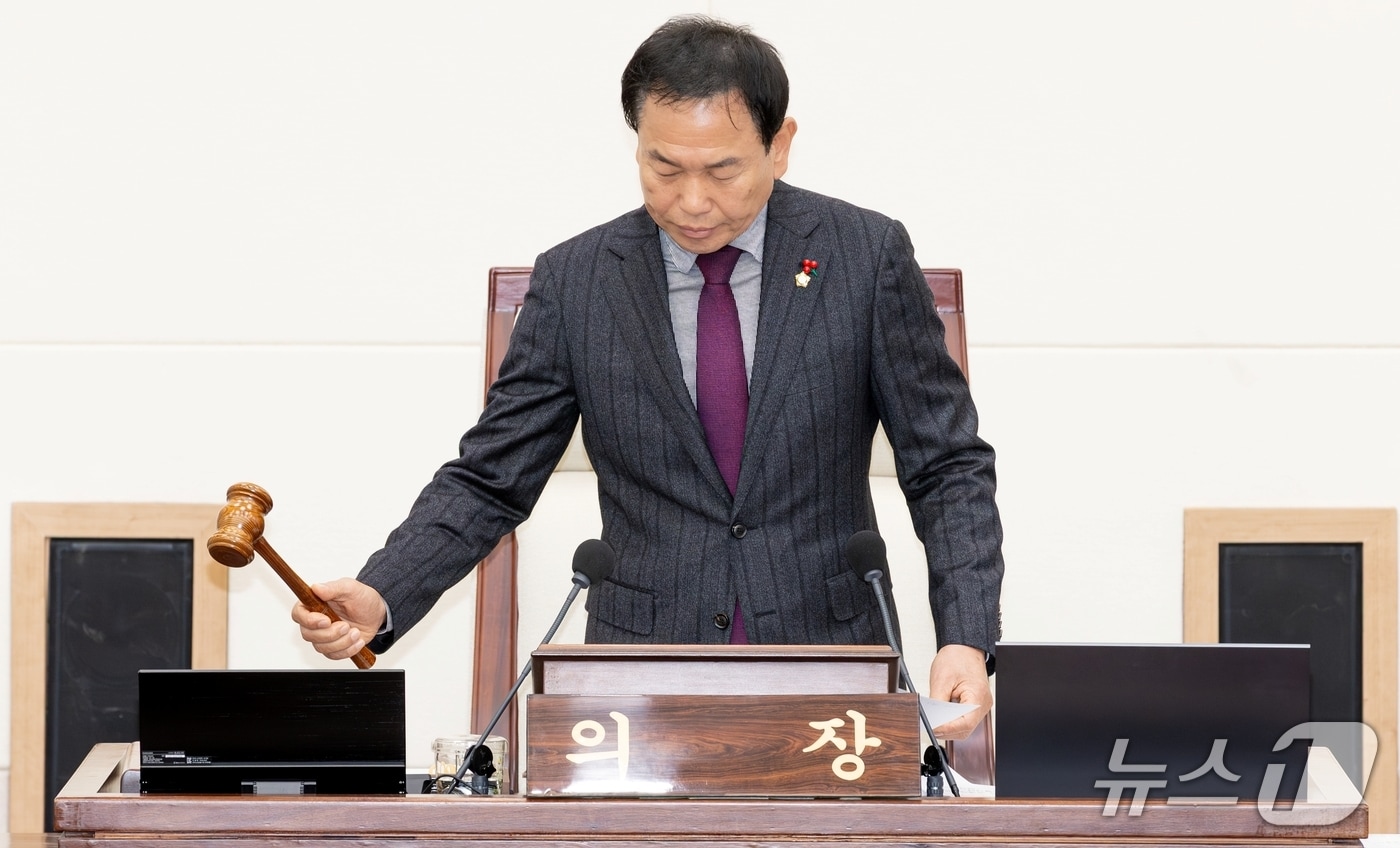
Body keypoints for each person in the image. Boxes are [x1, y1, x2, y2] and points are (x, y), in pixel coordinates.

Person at [293, 14, 1004, 740]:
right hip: (636, 688)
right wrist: (384, 594)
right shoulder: (578, 281)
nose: (692, 201)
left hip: (829, 670)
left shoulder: (864, 255)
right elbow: (490, 478)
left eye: (722, 170)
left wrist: (966, 635)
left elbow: (946, 465)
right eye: (664, 168)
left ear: (780, 145)